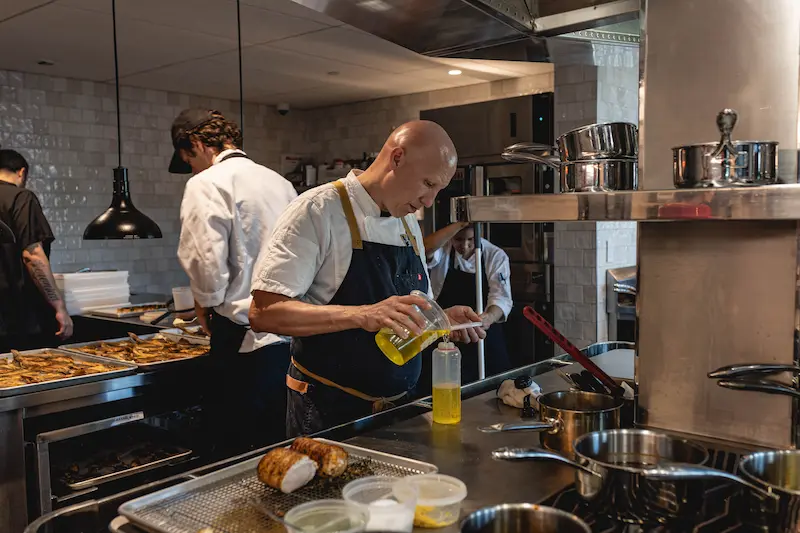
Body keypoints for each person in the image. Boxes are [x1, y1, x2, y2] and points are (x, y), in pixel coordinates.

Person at [250, 120, 486, 436]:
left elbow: (404, 318)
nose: (430, 202)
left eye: (438, 190)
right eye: (428, 184)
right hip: (327, 410)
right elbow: (264, 313)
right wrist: (364, 314)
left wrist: (439, 320)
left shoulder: (407, 223)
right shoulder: (318, 211)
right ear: (397, 158)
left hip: (400, 409)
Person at [171, 108, 297, 454]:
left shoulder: (206, 183)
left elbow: (205, 260)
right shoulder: (281, 183)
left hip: (242, 343)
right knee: (279, 448)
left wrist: (205, 303)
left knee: (232, 452)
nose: (192, 169)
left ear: (197, 144)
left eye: (189, 160)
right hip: (289, 340)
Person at [0, 149, 72, 353]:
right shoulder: (21, 198)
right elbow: (32, 256)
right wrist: (59, 308)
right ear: (21, 172)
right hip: (20, 320)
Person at [423, 221, 512, 384]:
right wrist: (458, 223)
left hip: (483, 334)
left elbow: (501, 297)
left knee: (491, 388)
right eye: (458, 239)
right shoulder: (442, 251)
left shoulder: (495, 255)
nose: (465, 245)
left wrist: (488, 318)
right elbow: (424, 248)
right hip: (447, 334)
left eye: (470, 239)